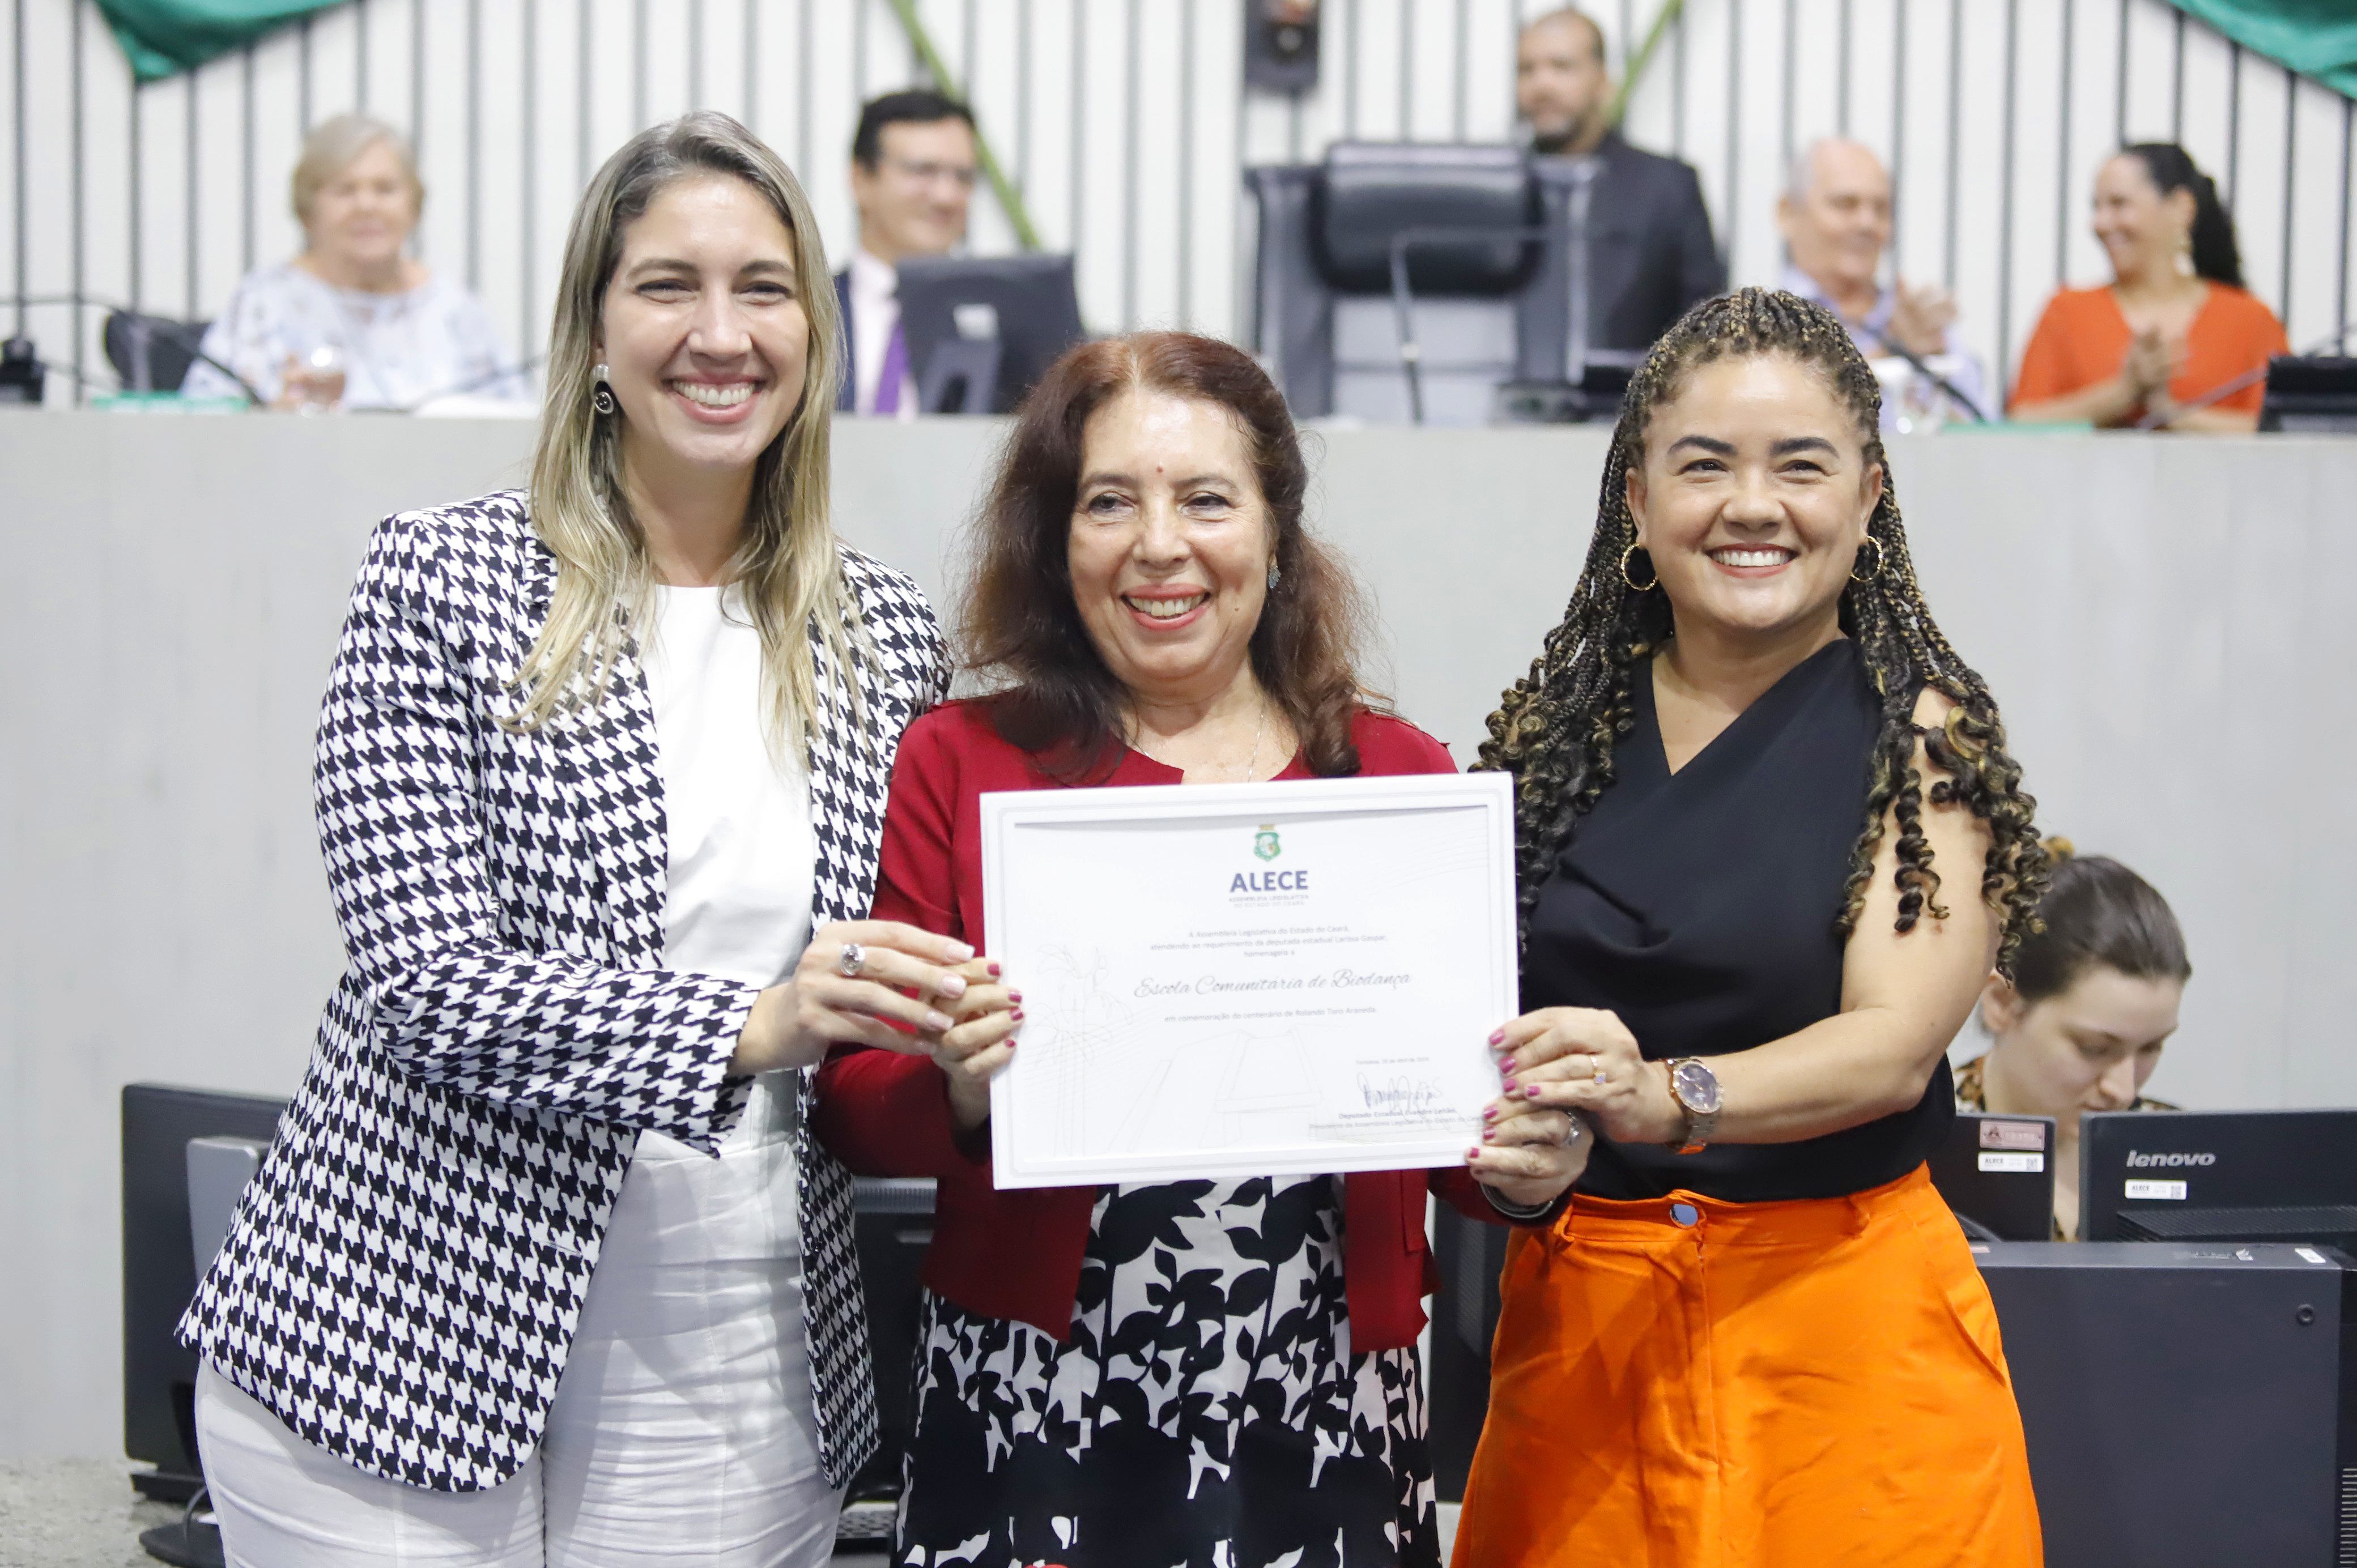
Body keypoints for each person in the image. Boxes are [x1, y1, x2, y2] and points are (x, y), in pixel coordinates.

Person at [177, 113, 969, 1566]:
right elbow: (426, 982)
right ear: (594, 332)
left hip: (740, 1334)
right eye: (668, 285)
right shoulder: (442, 579)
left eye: (764, 288)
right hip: (402, 1317)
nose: (720, 334)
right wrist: (757, 1020)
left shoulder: (884, 632)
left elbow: (899, 989)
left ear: (814, 329)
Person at [814, 331, 1584, 1567]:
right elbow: (854, 1101)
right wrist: (962, 1083)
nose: (1159, 544)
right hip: (1037, 1392)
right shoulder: (963, 760)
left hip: (1326, 1396)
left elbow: (1461, 1138)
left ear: (1276, 534)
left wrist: (1527, 1170)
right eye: (1109, 502)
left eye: (1207, 500)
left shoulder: (1395, 776)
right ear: (1056, 542)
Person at [1452, 287, 2047, 1566]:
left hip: (1847, 1348)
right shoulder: (1551, 740)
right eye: (1705, 464)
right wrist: (1515, 1154)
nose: (1752, 505)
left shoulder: (1925, 738)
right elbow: (1477, 1038)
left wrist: (1666, 1095)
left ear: (1870, 494)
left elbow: (1891, 1048)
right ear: (1636, 499)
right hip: (1587, 1353)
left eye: (1801, 466)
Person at [182, 113, 524, 411]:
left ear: (414, 205)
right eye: (345, 190)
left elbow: (517, 419)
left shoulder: (451, 305)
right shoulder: (263, 301)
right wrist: (271, 421)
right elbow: (200, 423)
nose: (366, 206)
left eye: (385, 189)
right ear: (308, 209)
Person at [1955, 840, 2188, 1239]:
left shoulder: (2178, 1150)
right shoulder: (1918, 1150)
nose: (2123, 1091)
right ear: (2003, 1004)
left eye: (2151, 1048)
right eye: (2094, 1049)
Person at [2010, 143, 2288, 432]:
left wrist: (2173, 415)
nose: (2100, 223)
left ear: (2180, 208)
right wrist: (2122, 393)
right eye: (2097, 207)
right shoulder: (2066, 312)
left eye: (2119, 204)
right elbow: (2020, 424)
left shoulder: (2250, 320)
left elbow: (2284, 430)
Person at [1516, 7, 1724, 361]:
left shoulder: (1667, 187)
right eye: (1527, 70)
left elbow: (1706, 321)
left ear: (1603, 82)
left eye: (1562, 67)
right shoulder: (1498, 190)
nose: (1542, 85)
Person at [1777, 137, 1990, 422]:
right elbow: (1777, 423)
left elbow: (1985, 433)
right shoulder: (1757, 322)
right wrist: (1892, 354)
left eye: (1881, 209)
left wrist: (1933, 365)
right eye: (1845, 205)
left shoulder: (1921, 323)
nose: (1867, 223)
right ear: (1788, 213)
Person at [833, 89, 979, 418]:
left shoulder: (990, 325)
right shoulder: (806, 308)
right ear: (861, 179)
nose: (946, 196)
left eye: (963, 177)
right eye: (922, 171)